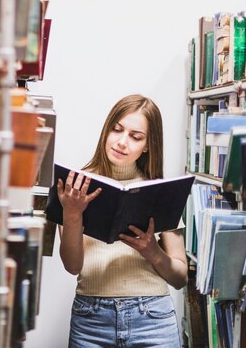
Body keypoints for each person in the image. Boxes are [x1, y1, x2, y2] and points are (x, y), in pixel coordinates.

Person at [51, 94, 187, 348]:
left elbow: (180, 278)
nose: (122, 142)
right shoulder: (76, 187)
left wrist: (153, 251)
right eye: (117, 130)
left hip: (153, 318)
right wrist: (72, 215)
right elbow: (72, 266)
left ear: (148, 145)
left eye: (136, 137)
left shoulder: (160, 192)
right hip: (91, 319)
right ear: (106, 130)